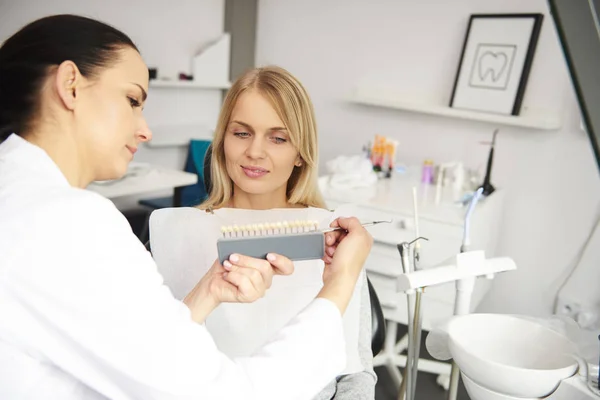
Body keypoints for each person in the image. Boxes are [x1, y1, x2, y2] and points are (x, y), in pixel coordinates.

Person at [0, 15, 373, 400]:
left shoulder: (19, 197)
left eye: (278, 138)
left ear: (300, 151)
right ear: (70, 86)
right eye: (132, 100)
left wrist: (207, 292)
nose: (145, 129)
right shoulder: (72, 223)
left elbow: (146, 351)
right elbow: (223, 393)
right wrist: (339, 283)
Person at [149, 66, 376, 399]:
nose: (255, 151)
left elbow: (356, 372)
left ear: (301, 152)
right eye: (241, 133)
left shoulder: (337, 236)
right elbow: (154, 361)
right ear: (222, 140)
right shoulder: (177, 233)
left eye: (278, 137)